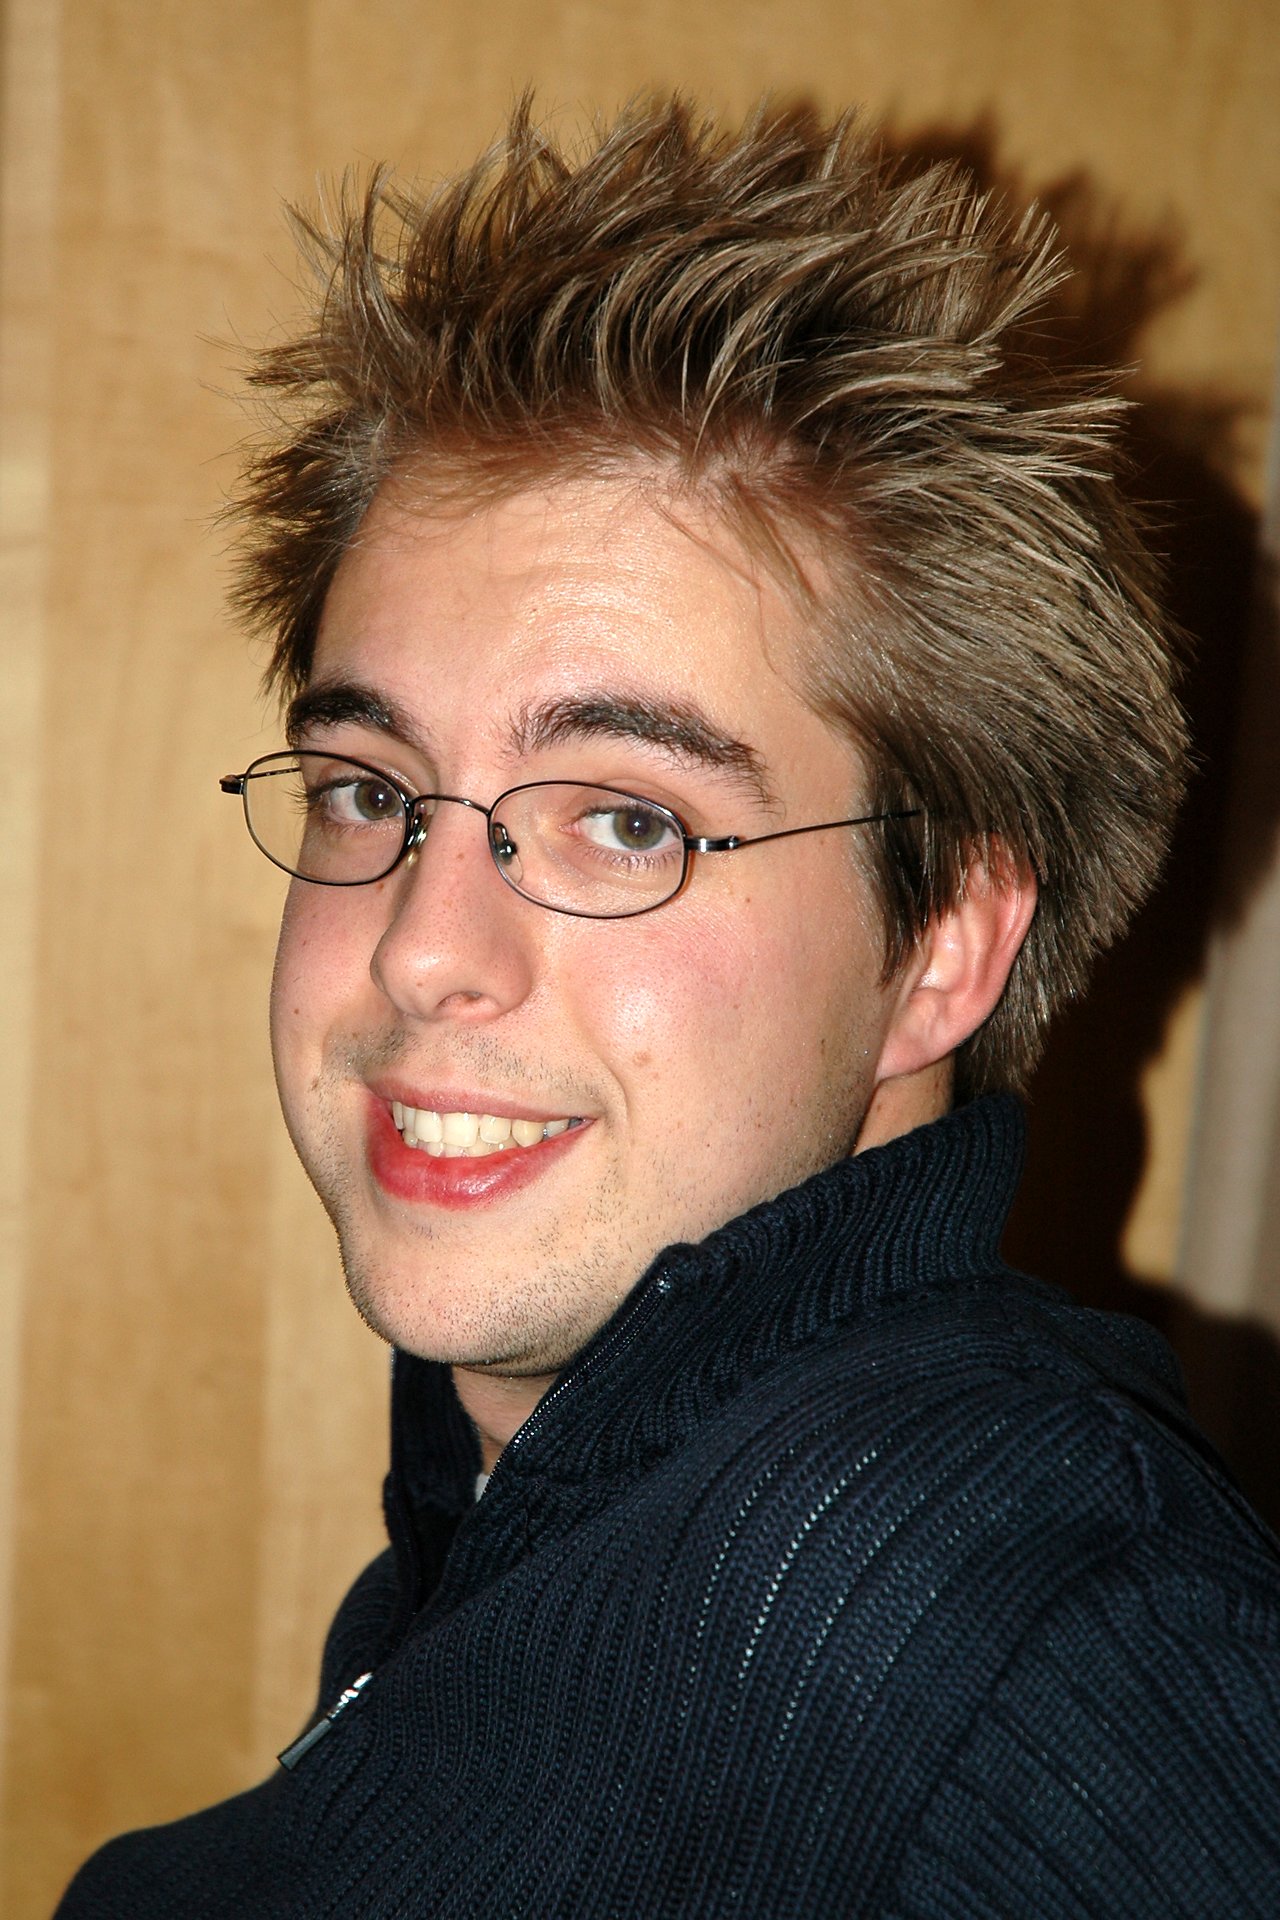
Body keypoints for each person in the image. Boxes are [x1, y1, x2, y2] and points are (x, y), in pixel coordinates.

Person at [56, 95, 1280, 1918]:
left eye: (625, 818)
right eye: (370, 793)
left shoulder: (1054, 1659)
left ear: (941, 939)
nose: (417, 947)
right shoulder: (532, 1538)